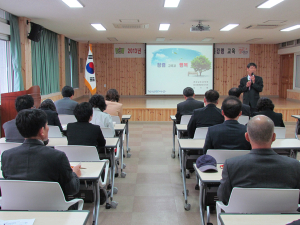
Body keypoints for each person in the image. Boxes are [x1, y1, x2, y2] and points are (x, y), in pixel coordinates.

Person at [217, 115, 300, 205]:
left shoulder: (232, 165)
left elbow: (223, 197)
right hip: (285, 217)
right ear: (274, 137)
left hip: (243, 217)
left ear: (247, 137)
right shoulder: (294, 165)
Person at [1, 109, 81, 198]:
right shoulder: (58, 156)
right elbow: (72, 189)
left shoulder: (6, 156)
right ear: (41, 131)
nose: (48, 128)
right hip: (52, 208)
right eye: (46, 125)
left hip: (17, 207)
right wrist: (74, 174)